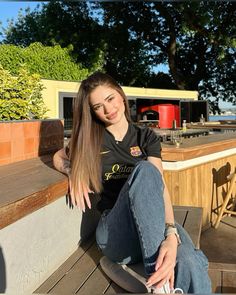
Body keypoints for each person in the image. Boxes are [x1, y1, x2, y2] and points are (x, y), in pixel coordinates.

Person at [53, 72, 212, 294]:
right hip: (117, 234)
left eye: (110, 99)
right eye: (98, 106)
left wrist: (169, 233)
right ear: (92, 112)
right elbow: (58, 156)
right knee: (145, 170)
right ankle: (160, 285)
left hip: (153, 225)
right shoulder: (90, 141)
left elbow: (160, 187)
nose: (108, 110)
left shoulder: (145, 137)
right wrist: (72, 171)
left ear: (120, 94)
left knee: (187, 259)